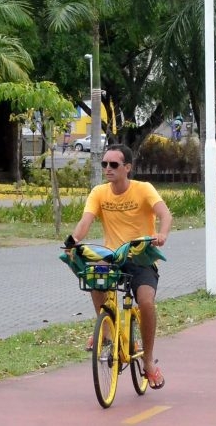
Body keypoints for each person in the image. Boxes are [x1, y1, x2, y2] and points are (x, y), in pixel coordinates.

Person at [66, 144, 172, 390]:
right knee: (93, 274)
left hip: (141, 257)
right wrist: (71, 243)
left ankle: (147, 359)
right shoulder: (99, 193)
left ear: (127, 168)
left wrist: (162, 234)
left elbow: (165, 214)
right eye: (104, 164)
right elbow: (85, 221)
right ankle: (106, 329)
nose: (108, 169)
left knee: (145, 302)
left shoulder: (143, 190)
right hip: (113, 257)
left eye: (113, 165)